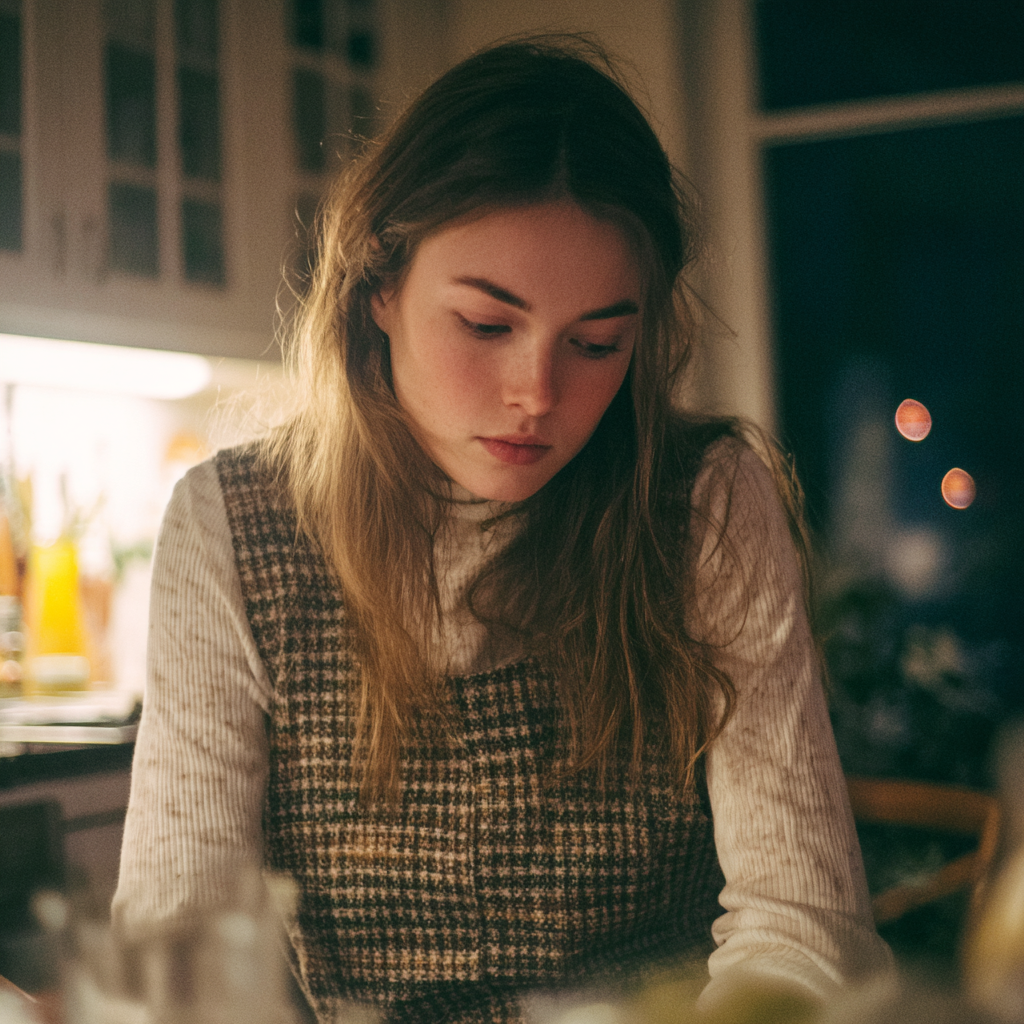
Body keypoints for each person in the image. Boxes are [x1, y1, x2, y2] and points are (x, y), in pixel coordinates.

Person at [113, 35, 891, 1023]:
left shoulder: (703, 500)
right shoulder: (231, 523)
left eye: (597, 342)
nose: (537, 393)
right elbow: (182, 944)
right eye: (486, 324)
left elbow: (802, 924)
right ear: (378, 287)